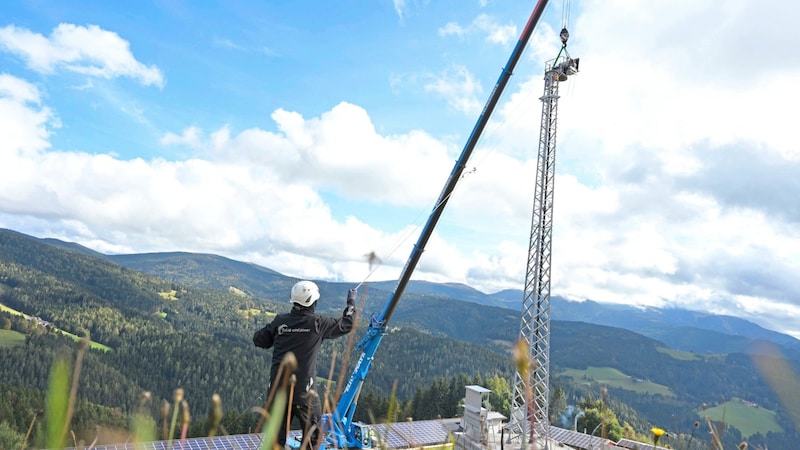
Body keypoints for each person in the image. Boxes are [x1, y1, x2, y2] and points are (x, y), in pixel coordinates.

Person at [253, 280, 356, 449]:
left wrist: (277, 330)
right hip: (305, 394)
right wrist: (351, 302)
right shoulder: (318, 323)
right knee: (312, 438)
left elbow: (259, 340)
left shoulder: (280, 322)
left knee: (274, 441)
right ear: (313, 302)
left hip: (277, 391)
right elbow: (347, 324)